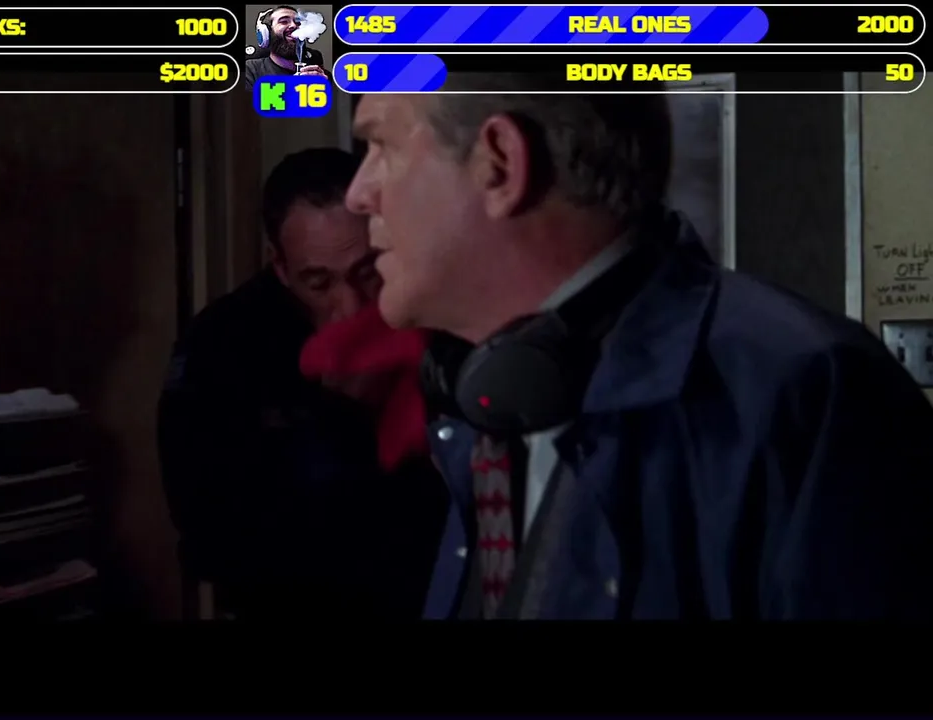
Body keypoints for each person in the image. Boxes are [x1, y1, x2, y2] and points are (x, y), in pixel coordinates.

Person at [343, 75, 933, 619]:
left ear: (500, 163)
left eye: (381, 147)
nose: (357, 194)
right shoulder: (490, 395)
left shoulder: (807, 394)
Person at [157, 148, 446, 618]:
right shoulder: (224, 343)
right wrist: (344, 420)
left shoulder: (424, 311)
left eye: (366, 273)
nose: (349, 306)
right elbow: (209, 536)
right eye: (318, 283)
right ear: (281, 268)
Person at [243, 6, 329, 91]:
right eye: (284, 22)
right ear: (266, 33)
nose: (294, 25)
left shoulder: (319, 74)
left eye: (298, 23)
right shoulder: (250, 70)